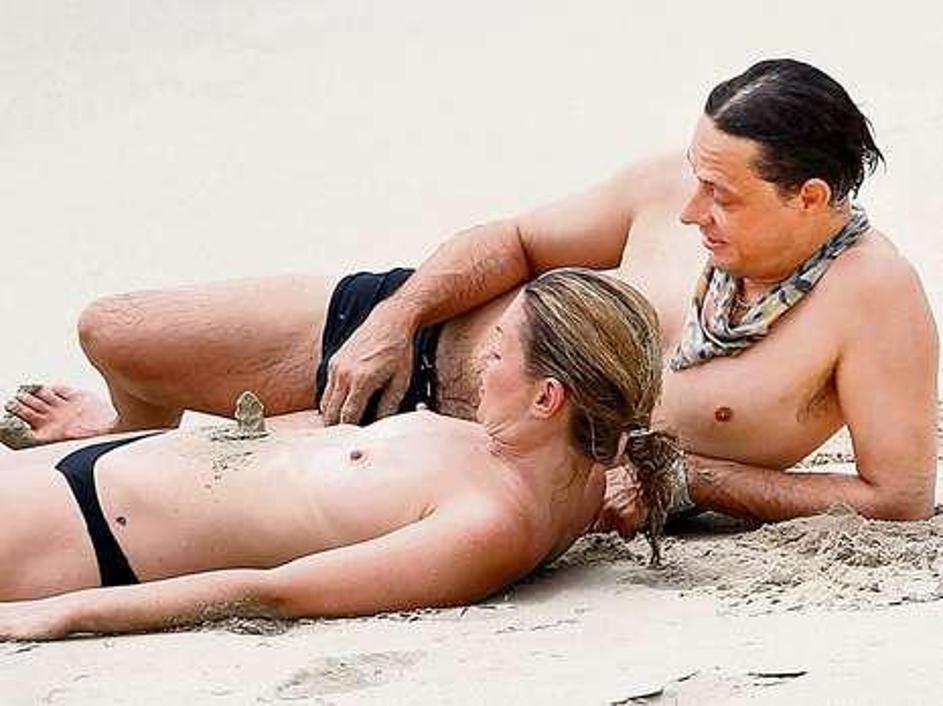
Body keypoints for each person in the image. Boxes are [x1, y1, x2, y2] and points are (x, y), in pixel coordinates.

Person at [2, 59, 938, 534]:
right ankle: (134, 420)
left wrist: (693, 479)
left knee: (114, 497)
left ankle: (129, 447)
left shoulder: (873, 301)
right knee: (114, 330)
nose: (692, 209)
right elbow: (516, 240)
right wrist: (395, 316)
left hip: (472, 455)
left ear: (808, 198)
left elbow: (897, 498)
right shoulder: (673, 186)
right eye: (694, 177)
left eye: (722, 195)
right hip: (418, 342)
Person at [0, 270, 677, 641]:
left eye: (496, 353)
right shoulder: (580, 463)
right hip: (124, 461)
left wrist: (67, 613)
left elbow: (276, 592)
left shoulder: (489, 524)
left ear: (547, 398)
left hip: (90, 529)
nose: (479, 363)